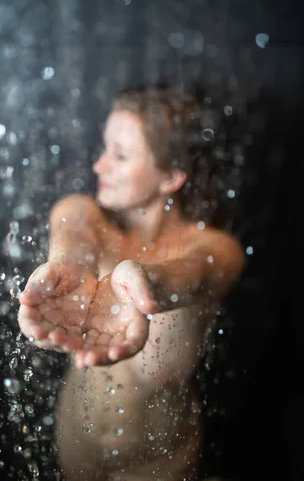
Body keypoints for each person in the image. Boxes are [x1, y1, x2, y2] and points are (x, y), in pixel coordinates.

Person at [18, 85, 245, 481]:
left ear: (171, 176)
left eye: (120, 156)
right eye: (106, 149)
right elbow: (73, 231)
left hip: (160, 462)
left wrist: (148, 282)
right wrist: (67, 266)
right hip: (77, 445)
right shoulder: (87, 215)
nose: (99, 166)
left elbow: (195, 272)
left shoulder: (217, 249)